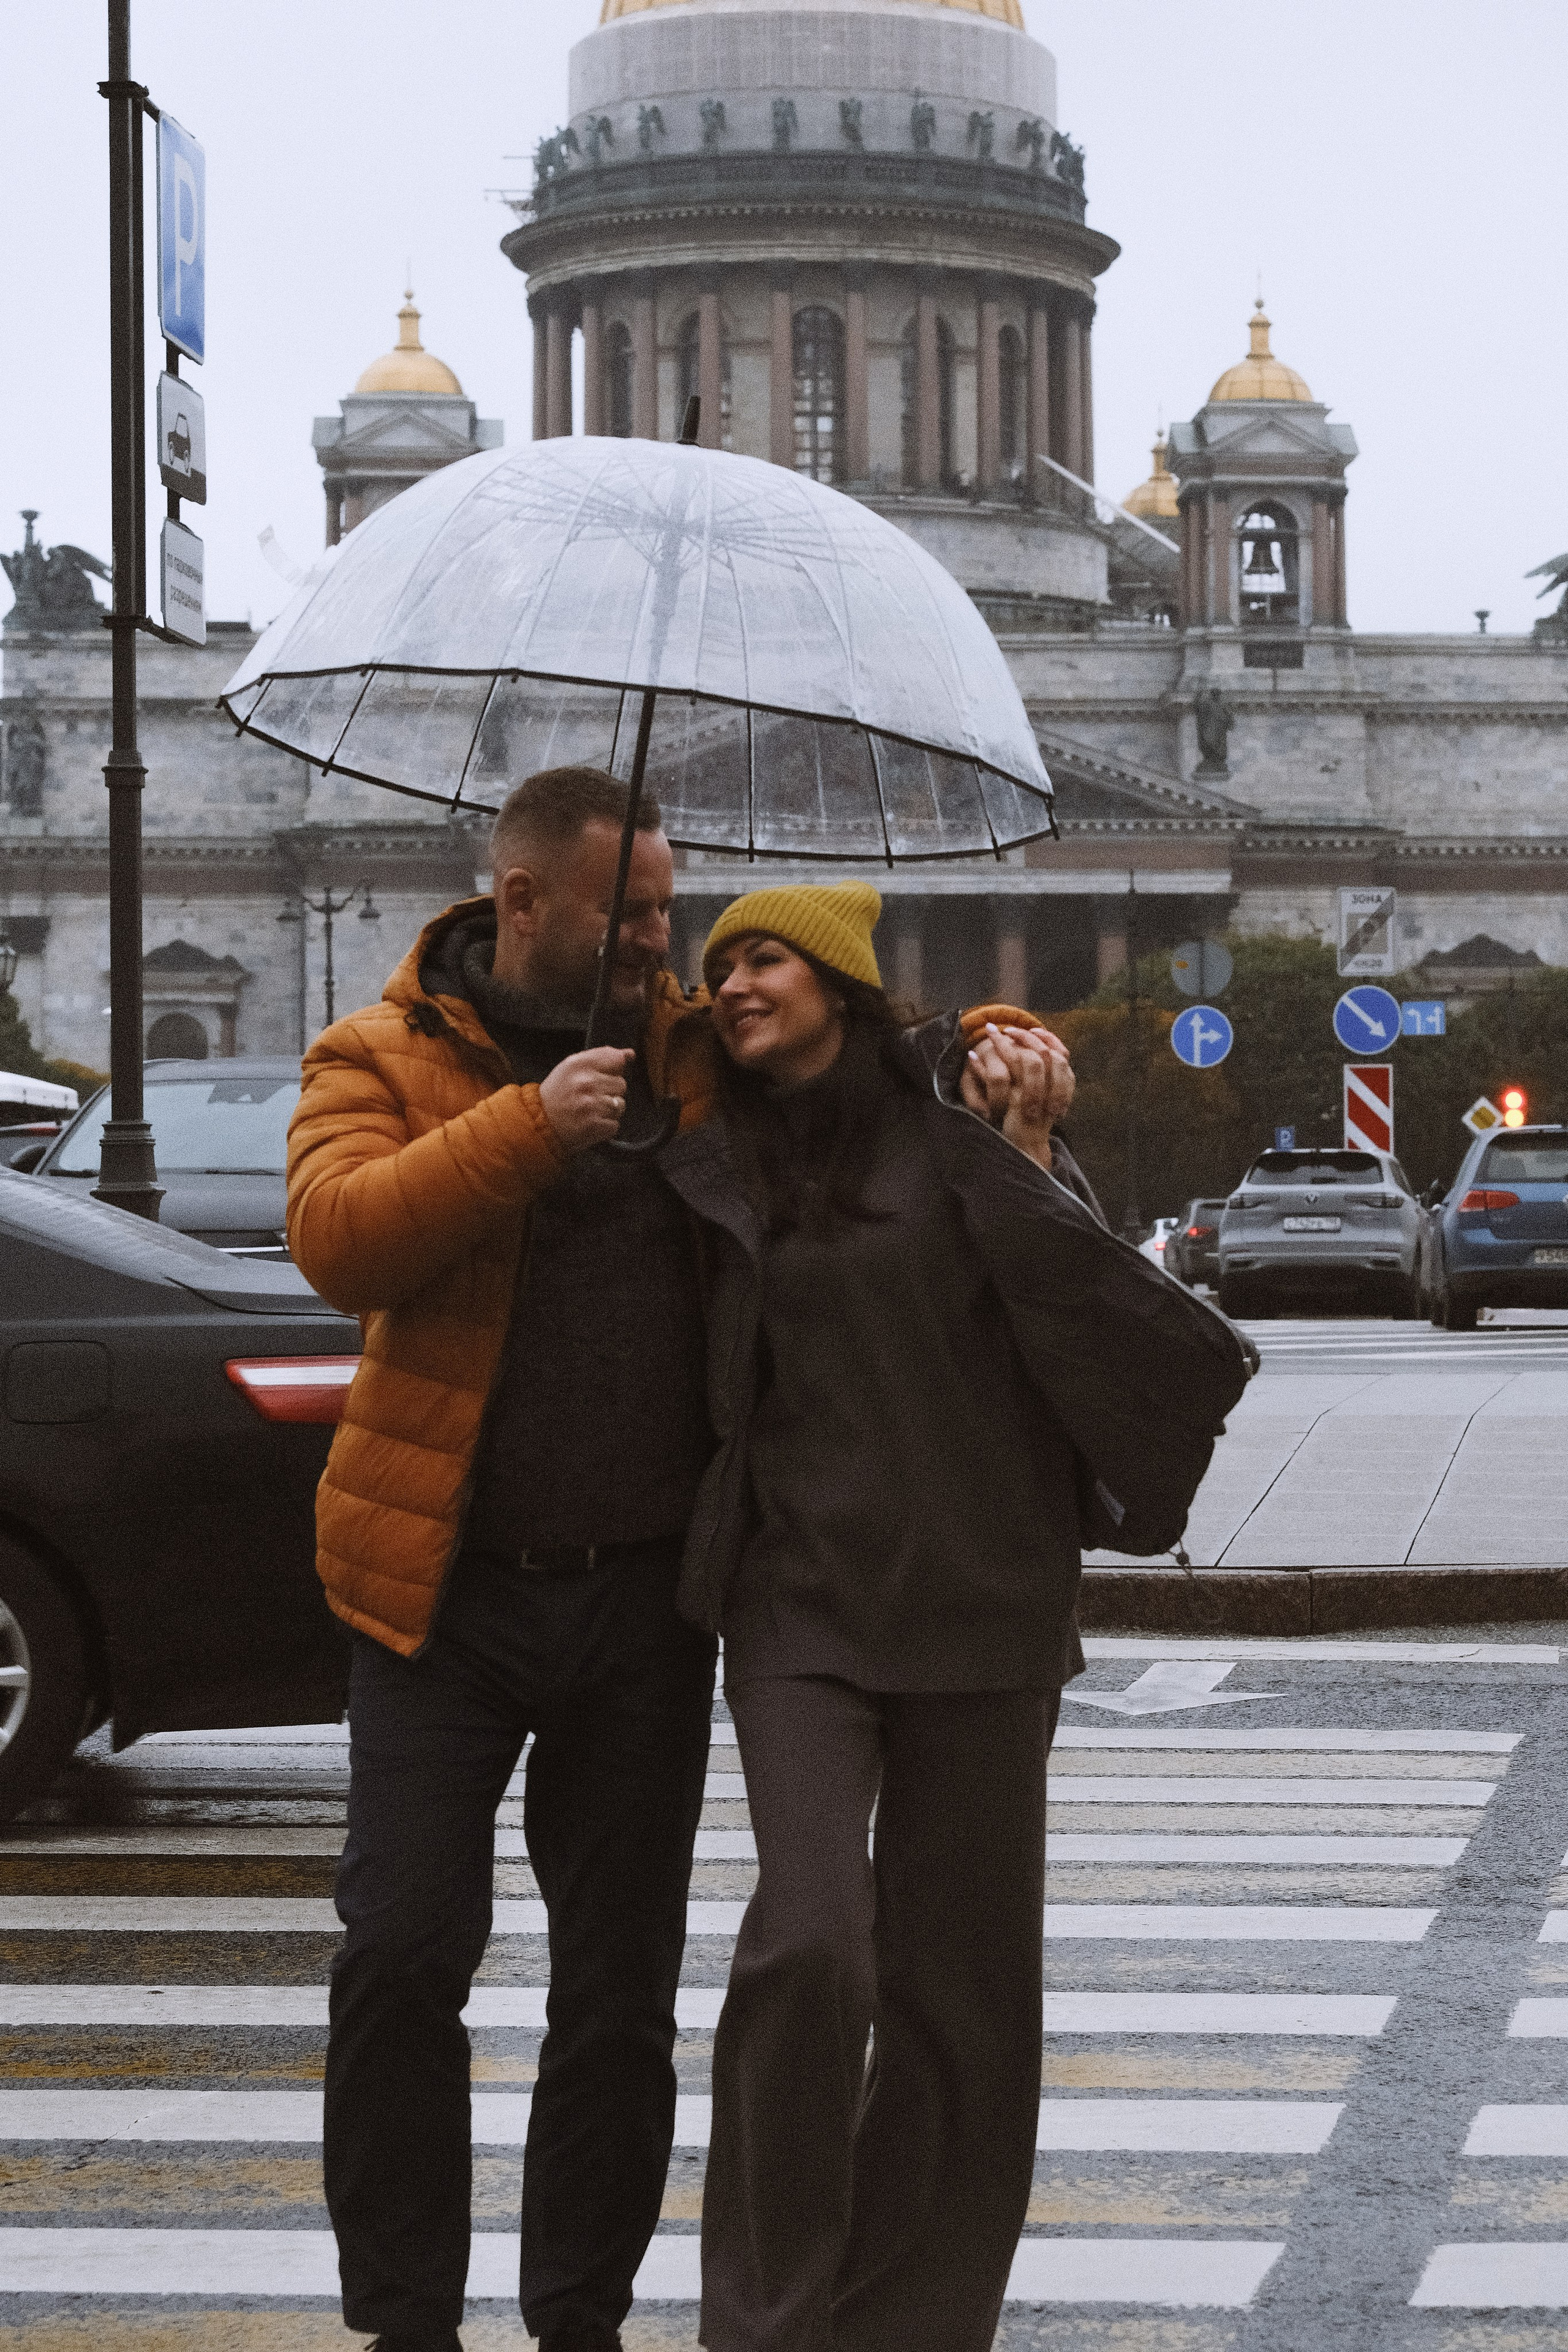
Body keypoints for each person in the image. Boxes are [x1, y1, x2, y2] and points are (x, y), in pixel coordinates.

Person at [650, 880, 1251, 2352]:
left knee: (962, 1992)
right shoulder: (704, 1151)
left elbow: (1087, 1307)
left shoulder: (963, 1123)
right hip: (795, 1601)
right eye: (718, 963)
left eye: (765, 959)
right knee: (808, 1944)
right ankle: (768, 2318)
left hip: (983, 1590)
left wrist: (1027, 1141)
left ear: (846, 985)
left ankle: (908, 2320)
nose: (730, 984)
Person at [286, 765, 726, 2352]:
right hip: (440, 1596)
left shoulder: (695, 1055)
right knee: (401, 1956)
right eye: (632, 916)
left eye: (671, 914)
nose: (659, 945)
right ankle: (406, 2323)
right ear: (523, 900)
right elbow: (341, 1239)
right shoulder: (380, 1050)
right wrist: (528, 1132)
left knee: (617, 2001)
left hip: (646, 1598)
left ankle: (579, 2323)